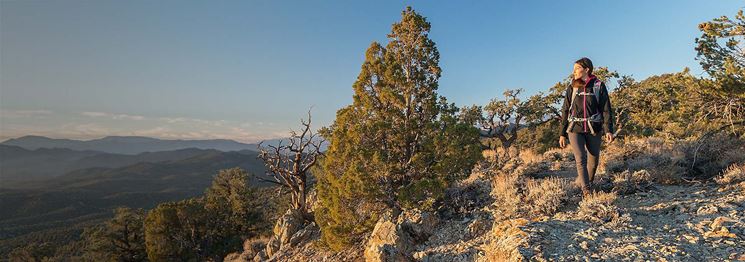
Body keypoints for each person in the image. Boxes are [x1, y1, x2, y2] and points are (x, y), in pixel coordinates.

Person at [558, 57, 614, 196]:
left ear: (586, 69)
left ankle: (588, 182)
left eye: (577, 68)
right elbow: (565, 110)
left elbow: (606, 109)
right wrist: (562, 133)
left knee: (593, 161)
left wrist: (608, 130)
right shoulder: (572, 87)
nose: (574, 72)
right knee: (580, 158)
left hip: (593, 128)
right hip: (574, 127)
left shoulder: (598, 85)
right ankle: (586, 191)